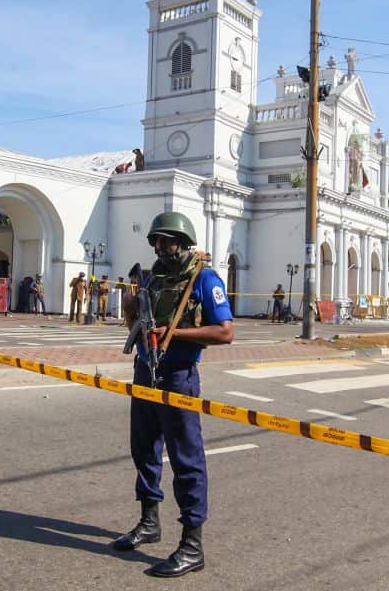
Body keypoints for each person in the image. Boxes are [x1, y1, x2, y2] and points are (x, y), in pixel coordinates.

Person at [112, 211, 234, 578]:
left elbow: (225, 332)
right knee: (144, 448)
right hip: (145, 372)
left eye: (167, 241)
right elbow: (136, 322)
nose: (161, 248)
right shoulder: (153, 280)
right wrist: (133, 311)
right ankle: (149, 521)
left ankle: (192, 544)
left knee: (186, 460)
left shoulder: (204, 279)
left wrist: (173, 333)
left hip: (178, 376)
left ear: (183, 242)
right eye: (157, 242)